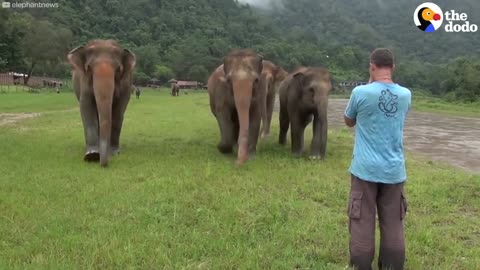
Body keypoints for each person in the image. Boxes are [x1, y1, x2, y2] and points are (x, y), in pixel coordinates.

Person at [344, 48, 411, 270]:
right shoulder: (405, 95)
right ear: (393, 67)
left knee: (362, 221)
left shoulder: (360, 93)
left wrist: (367, 84)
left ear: (371, 66)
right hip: (394, 170)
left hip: (365, 169)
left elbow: (348, 120)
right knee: (393, 222)